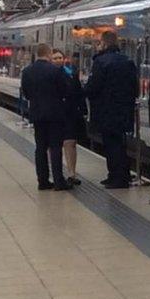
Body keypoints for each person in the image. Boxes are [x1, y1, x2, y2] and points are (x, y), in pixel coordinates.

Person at [85, 31, 138, 189]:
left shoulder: (101, 62)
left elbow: (94, 87)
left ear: (104, 43)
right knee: (120, 144)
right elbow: (134, 87)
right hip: (124, 110)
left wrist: (83, 91)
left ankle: (116, 177)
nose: (97, 45)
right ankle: (122, 174)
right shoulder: (128, 61)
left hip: (106, 110)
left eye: (99, 42)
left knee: (111, 144)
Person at [21, 44, 73, 191]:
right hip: (55, 114)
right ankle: (58, 181)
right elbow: (65, 91)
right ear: (49, 54)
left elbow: (26, 93)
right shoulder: (55, 71)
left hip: (37, 114)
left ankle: (42, 181)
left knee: (40, 148)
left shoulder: (27, 72)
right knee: (55, 148)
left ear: (37, 54)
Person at [53, 49, 86, 185]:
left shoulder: (71, 74)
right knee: (54, 145)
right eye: (55, 58)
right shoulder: (48, 75)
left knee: (70, 143)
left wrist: (83, 109)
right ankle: (57, 173)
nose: (58, 60)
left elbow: (79, 92)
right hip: (54, 114)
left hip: (70, 114)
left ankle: (72, 173)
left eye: (60, 57)